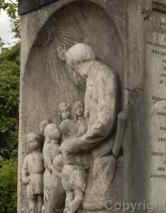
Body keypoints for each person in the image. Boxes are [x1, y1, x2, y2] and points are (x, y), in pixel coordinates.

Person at [59, 43, 118, 212]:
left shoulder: (102, 74)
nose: (72, 73)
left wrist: (79, 143)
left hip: (103, 150)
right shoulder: (92, 77)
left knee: (93, 205)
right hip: (93, 149)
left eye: (71, 67)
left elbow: (105, 121)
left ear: (74, 64)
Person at [42, 123, 65, 213]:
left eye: (56, 128)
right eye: (53, 130)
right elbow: (47, 161)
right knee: (51, 196)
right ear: (47, 134)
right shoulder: (47, 147)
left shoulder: (58, 146)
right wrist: (53, 169)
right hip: (51, 175)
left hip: (58, 174)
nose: (57, 131)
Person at [22, 132, 44, 213]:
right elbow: (24, 169)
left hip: (40, 178)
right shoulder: (27, 157)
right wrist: (24, 178)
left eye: (32, 141)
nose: (30, 144)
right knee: (31, 199)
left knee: (40, 199)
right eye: (29, 142)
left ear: (38, 142)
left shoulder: (42, 156)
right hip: (31, 179)